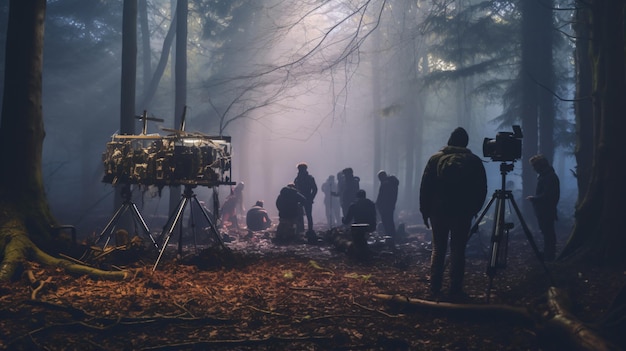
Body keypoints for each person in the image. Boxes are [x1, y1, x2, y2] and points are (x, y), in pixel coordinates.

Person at [419, 127, 487, 299]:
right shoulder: (473, 161)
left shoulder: (435, 159)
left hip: (438, 212)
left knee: (438, 249)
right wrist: (474, 210)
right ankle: (455, 289)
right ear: (466, 142)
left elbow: (425, 187)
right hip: (462, 213)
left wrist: (425, 211)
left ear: (449, 140)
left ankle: (435, 288)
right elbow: (481, 189)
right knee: (458, 250)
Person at [526, 154, 560, 261]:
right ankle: (548, 253)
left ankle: (549, 255)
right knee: (546, 232)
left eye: (535, 166)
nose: (534, 169)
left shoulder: (549, 177)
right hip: (544, 210)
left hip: (547, 210)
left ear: (540, 166)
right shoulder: (547, 176)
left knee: (548, 233)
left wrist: (534, 199)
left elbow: (548, 195)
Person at [376, 170, 399, 247]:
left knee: (386, 222)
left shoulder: (385, 184)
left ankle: (390, 238)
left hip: (385, 207)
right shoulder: (393, 183)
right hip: (390, 206)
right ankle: (392, 238)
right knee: (390, 222)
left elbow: (381, 196)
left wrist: (378, 204)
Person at [294, 163, 317, 234]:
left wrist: (311, 198)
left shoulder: (309, 178)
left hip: (306, 199)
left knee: (308, 215)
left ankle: (309, 230)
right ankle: (301, 230)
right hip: (300, 199)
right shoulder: (298, 178)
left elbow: (315, 189)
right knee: (300, 215)